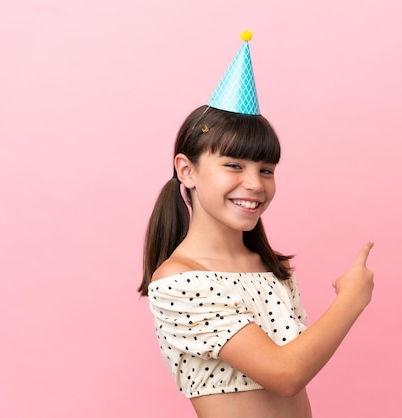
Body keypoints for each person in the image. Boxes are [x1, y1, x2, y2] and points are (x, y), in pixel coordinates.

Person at [138, 31, 374, 418]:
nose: (255, 184)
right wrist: (352, 298)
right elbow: (285, 374)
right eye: (233, 165)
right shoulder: (180, 281)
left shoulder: (270, 270)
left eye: (266, 170)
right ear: (187, 170)